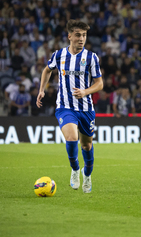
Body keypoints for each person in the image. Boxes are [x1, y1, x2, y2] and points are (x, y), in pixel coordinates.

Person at [36, 20, 103, 194]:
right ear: (70, 36)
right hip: (65, 106)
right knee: (72, 138)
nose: (82, 39)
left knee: (87, 145)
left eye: (84, 35)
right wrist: (41, 89)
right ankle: (74, 170)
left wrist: (85, 91)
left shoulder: (91, 57)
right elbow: (47, 70)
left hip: (86, 109)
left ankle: (86, 174)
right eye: (78, 35)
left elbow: (99, 84)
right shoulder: (59, 55)